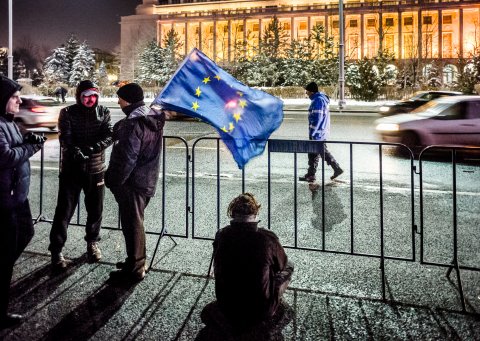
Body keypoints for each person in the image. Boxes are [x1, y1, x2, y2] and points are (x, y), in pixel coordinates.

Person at [201, 193, 294, 334]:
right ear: (255, 214)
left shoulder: (222, 235)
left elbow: (218, 261)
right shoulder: (267, 238)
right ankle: (271, 298)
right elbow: (282, 264)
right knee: (288, 266)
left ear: (232, 214)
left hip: (227, 306)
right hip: (261, 309)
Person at [48, 80, 113, 270]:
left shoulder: (104, 112)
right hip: (71, 170)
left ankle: (92, 242)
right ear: (79, 96)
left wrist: (94, 147)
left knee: (95, 210)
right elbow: (65, 137)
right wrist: (74, 150)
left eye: (93, 95)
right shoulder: (67, 113)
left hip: (95, 169)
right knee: (64, 211)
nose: (90, 99)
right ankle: (56, 249)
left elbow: (109, 135)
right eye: (86, 96)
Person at [105, 83, 165, 282]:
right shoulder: (151, 118)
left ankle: (136, 268)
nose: (118, 101)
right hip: (146, 179)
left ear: (128, 100)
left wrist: (113, 180)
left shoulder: (133, 123)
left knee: (132, 224)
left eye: (120, 98)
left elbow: (127, 158)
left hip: (132, 182)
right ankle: (135, 260)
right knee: (135, 223)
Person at [0, 76, 46, 328]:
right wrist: (30, 148)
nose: (19, 100)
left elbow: (16, 146)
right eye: (14, 96)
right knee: (6, 253)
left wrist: (29, 140)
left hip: (17, 196)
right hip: (4, 201)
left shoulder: (9, 121)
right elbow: (5, 156)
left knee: (26, 233)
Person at [299, 81, 343, 182]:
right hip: (320, 131)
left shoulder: (318, 100)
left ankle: (336, 168)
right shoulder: (320, 99)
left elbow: (317, 118)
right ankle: (311, 174)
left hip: (317, 132)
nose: (306, 93)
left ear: (311, 92)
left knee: (322, 152)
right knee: (313, 153)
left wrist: (313, 132)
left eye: (307, 91)